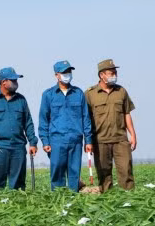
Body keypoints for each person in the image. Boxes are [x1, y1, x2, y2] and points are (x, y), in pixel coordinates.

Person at [0, 67, 38, 190]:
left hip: (18, 147)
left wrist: (33, 142)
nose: (16, 83)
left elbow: (28, 123)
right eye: (13, 80)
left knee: (18, 185)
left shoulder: (21, 100)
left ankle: (17, 208)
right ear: (3, 82)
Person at [38, 60, 92, 192]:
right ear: (57, 75)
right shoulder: (48, 95)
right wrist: (45, 141)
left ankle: (72, 200)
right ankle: (58, 199)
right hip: (57, 140)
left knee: (74, 172)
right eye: (64, 72)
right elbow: (43, 119)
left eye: (69, 71)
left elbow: (86, 117)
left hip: (76, 140)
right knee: (57, 171)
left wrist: (88, 140)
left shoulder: (78, 93)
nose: (67, 74)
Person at [85, 59, 137, 192]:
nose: (115, 74)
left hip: (120, 139)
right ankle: (107, 202)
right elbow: (86, 119)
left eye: (115, 72)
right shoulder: (90, 94)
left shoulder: (121, 91)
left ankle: (129, 201)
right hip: (100, 141)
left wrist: (133, 135)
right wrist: (88, 141)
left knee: (126, 171)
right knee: (104, 175)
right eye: (111, 72)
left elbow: (126, 114)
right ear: (102, 75)